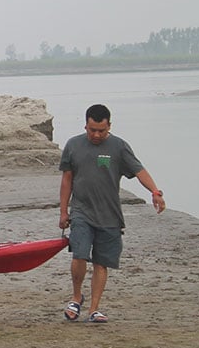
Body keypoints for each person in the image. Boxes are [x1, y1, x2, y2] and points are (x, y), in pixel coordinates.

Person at [58, 103, 165, 323]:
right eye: (92, 130)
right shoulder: (73, 145)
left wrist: (154, 191)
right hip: (81, 212)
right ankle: (76, 297)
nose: (96, 135)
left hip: (109, 215)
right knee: (79, 254)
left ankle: (94, 309)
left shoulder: (119, 147)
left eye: (101, 131)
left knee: (101, 261)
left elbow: (139, 170)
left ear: (109, 127)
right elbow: (67, 180)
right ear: (85, 126)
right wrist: (63, 212)